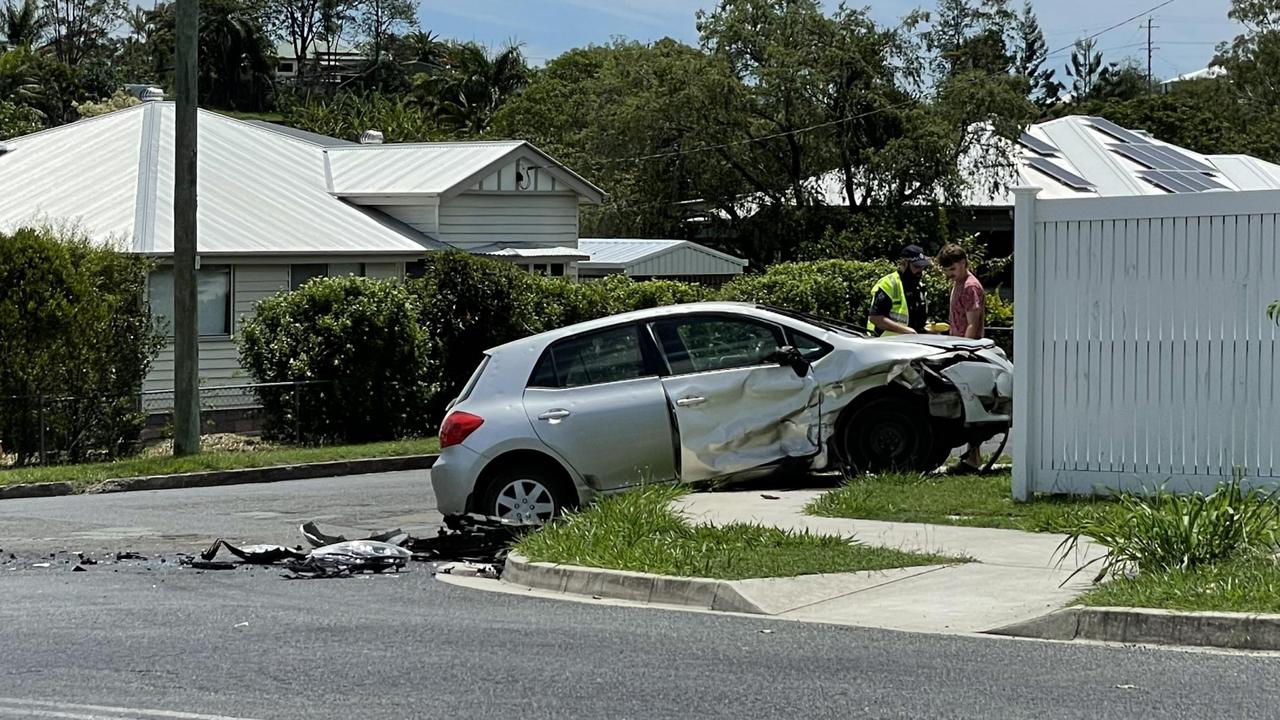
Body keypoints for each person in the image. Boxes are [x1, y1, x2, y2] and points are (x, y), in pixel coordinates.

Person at [938, 243, 987, 472]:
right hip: (956, 346)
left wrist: (963, 349)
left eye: (952, 270)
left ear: (963, 263)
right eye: (946, 271)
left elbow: (972, 323)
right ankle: (972, 455)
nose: (949, 275)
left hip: (967, 351)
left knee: (970, 404)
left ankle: (974, 458)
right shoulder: (958, 284)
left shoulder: (970, 287)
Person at [867, 245, 929, 337]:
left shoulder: (919, 287)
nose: (920, 271)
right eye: (916, 266)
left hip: (909, 344)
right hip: (884, 343)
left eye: (922, 267)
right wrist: (905, 330)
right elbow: (875, 318)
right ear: (904, 264)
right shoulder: (889, 284)